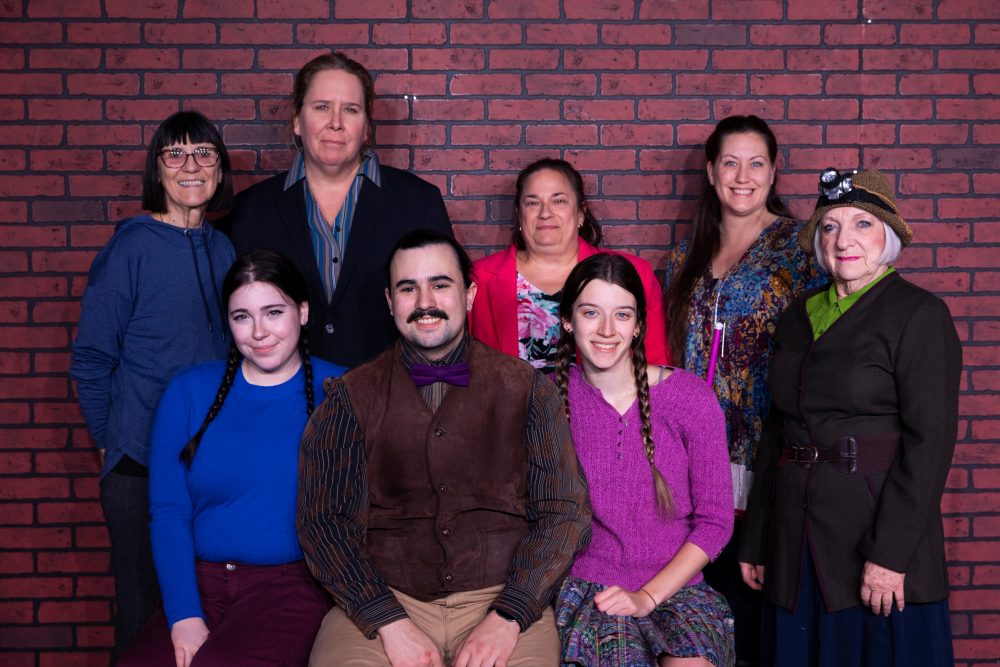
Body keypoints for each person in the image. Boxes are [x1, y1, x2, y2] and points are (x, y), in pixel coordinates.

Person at [297, 229, 592, 666]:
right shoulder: (349, 397)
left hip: (503, 597)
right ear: (389, 302)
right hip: (383, 599)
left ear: (469, 295)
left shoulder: (528, 389)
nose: (425, 302)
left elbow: (565, 512)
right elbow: (324, 523)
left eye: (440, 284)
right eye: (407, 288)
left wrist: (509, 615)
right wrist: (388, 621)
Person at [739, 168, 961, 666]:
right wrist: (757, 539)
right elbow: (776, 433)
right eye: (830, 226)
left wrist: (890, 554)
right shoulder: (798, 315)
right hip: (795, 538)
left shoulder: (919, 315)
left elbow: (930, 444)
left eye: (862, 224)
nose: (844, 241)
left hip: (875, 537)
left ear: (888, 235)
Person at [119, 250, 346, 667]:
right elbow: (169, 512)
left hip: (292, 588)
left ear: (302, 311)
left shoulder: (341, 389)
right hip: (199, 585)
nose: (258, 332)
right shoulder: (188, 391)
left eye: (273, 312)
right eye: (242, 317)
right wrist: (184, 615)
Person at [70, 110, 235, 662]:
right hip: (137, 464)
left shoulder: (222, 249)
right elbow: (91, 359)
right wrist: (111, 445)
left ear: (220, 169)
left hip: (205, 465)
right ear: (157, 169)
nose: (191, 166)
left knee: (198, 613)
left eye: (204, 153)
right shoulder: (131, 249)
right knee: (143, 618)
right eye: (175, 154)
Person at [662, 115, 824, 663]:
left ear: (774, 171)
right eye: (730, 163)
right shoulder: (684, 257)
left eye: (756, 163)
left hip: (764, 454)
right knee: (700, 608)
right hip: (689, 458)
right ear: (711, 172)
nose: (742, 176)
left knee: (757, 609)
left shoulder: (801, 249)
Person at [554, 253, 735, 667]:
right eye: (590, 312)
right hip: (591, 587)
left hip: (679, 585)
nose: (606, 330)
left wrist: (648, 596)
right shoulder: (548, 398)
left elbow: (716, 521)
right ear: (567, 320)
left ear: (638, 325)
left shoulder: (689, 398)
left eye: (622, 315)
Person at [229, 51, 453, 368]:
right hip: (289, 389)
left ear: (366, 127)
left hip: (394, 388)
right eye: (322, 107)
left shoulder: (419, 202)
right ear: (297, 120)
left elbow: (448, 311)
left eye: (350, 109)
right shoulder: (252, 209)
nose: (336, 123)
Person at [471, 158, 668, 372]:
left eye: (559, 201)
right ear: (519, 214)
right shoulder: (480, 278)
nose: (545, 213)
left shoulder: (635, 273)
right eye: (532, 203)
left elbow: (656, 365)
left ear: (581, 212)